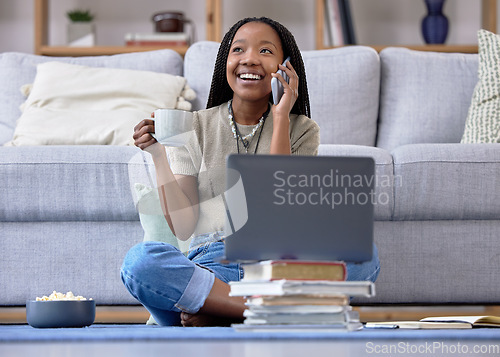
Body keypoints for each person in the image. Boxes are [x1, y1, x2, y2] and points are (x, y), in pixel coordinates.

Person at [121, 16, 380, 327]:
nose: (250, 59)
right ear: (225, 62)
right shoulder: (191, 126)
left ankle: (216, 312)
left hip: (278, 267)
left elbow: (278, 208)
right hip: (211, 268)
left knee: (365, 253)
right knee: (141, 262)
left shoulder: (302, 129)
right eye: (238, 49)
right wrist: (158, 155)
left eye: (266, 51)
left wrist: (282, 115)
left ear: (286, 67)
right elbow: (183, 227)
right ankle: (271, 312)